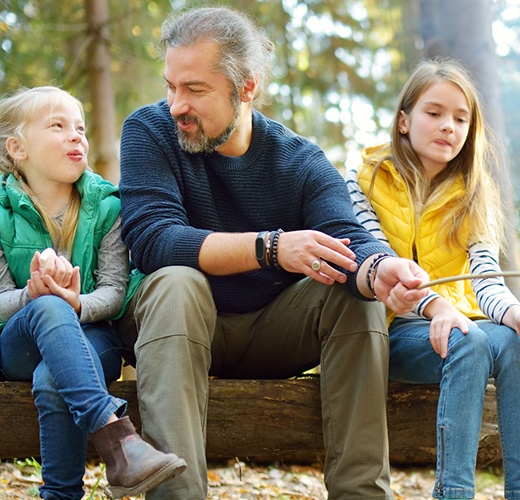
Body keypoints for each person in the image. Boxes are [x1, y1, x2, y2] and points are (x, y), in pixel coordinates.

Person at [115, 6, 430, 499]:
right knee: (176, 280)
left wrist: (381, 270)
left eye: (195, 90)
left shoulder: (298, 159)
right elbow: (154, 239)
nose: (177, 104)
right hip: (177, 324)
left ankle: (362, 495)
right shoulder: (149, 131)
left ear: (247, 88)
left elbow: (348, 238)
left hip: (273, 331)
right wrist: (272, 248)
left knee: (356, 294)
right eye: (171, 86)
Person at [0, 86, 186, 499]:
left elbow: (114, 292)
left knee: (52, 375)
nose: (77, 136)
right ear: (17, 148)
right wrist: (34, 295)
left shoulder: (109, 208)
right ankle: (120, 440)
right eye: (57, 126)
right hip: (20, 342)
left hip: (95, 339)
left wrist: (76, 302)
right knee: (47, 307)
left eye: (80, 127)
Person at [346, 59, 520, 500]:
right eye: (434, 113)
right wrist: (436, 308)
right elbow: (381, 265)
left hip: (458, 322)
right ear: (404, 121)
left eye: (461, 119)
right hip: (388, 328)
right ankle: (454, 493)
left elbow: (486, 278)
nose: (449, 127)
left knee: (512, 341)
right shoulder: (364, 177)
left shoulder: (474, 193)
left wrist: (517, 316)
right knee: (471, 339)